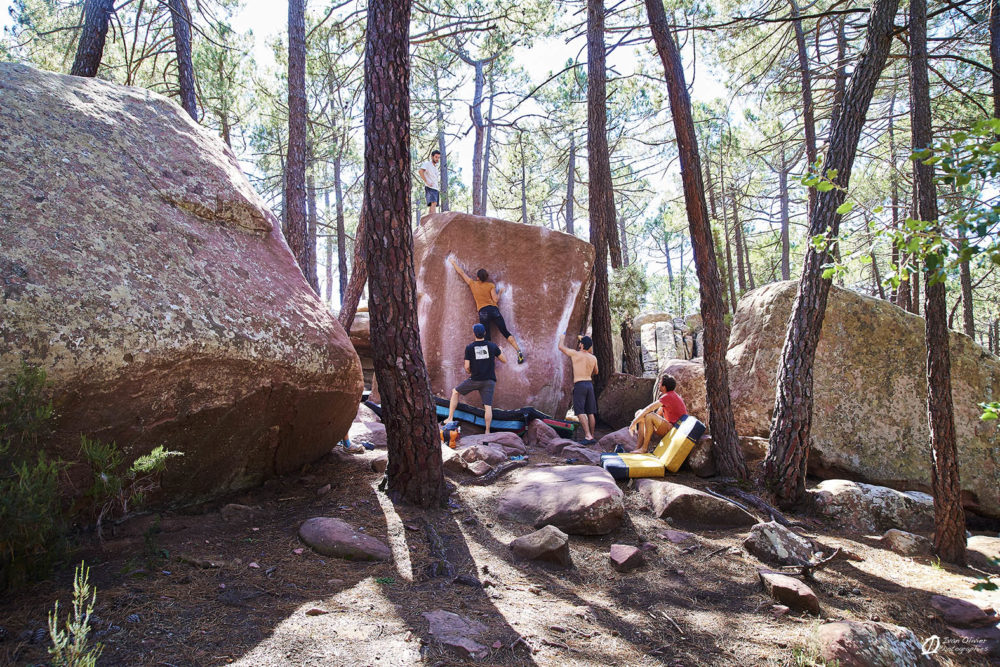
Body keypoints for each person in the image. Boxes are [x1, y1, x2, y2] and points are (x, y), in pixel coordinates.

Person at [448, 257, 525, 363]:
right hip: (494, 310)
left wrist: (453, 262)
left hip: (483, 312)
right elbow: (496, 300)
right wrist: (500, 292)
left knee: (486, 338)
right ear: (486, 277)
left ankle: (489, 361)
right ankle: (519, 352)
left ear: (477, 277)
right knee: (505, 332)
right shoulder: (490, 285)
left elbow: (461, 273)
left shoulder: (472, 284)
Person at [446, 323, 507, 433]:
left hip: (475, 379)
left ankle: (450, 418)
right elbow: (504, 360)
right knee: (488, 406)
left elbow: (467, 367)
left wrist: (470, 372)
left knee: (455, 392)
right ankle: (487, 431)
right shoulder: (492, 346)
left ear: (474, 333)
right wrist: (500, 350)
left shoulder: (470, 347)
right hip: (489, 380)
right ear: (484, 333)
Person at [628, 374, 687, 454]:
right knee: (640, 413)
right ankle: (638, 447)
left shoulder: (668, 396)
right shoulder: (669, 396)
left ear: (664, 387)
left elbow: (649, 409)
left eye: (660, 382)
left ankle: (644, 448)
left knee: (649, 415)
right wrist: (641, 419)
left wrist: (633, 423)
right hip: (670, 428)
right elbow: (657, 415)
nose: (658, 384)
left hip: (674, 430)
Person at [558, 334, 599, 444]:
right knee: (590, 412)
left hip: (580, 384)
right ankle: (592, 436)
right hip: (589, 384)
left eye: (580, 342)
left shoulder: (575, 354)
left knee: (580, 411)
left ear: (581, 345)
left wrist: (562, 338)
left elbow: (561, 347)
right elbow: (596, 371)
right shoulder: (593, 358)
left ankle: (587, 436)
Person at [418, 149, 441, 219]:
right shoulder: (427, 164)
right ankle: (434, 220)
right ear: (432, 156)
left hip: (436, 188)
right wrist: (426, 181)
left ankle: (429, 221)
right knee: (433, 203)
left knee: (433, 205)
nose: (437, 159)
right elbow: (420, 171)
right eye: (436, 157)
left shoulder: (435, 167)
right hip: (430, 187)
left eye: (438, 157)